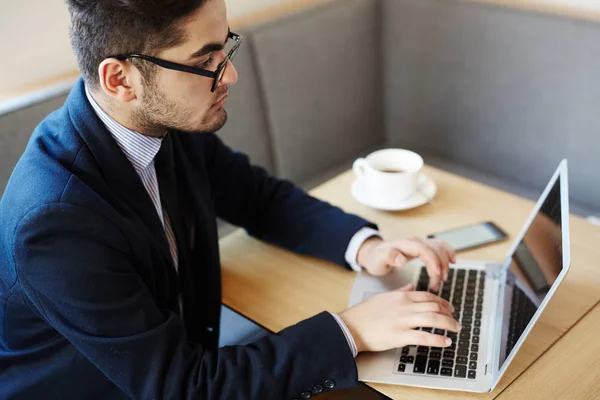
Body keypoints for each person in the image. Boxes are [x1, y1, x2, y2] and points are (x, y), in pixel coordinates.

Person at [0, 0, 460, 398]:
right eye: (205, 62)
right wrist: (353, 330)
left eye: (226, 47)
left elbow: (260, 199)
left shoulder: (161, 121)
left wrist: (366, 245)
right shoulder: (55, 223)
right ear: (121, 79)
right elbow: (184, 387)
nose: (231, 73)